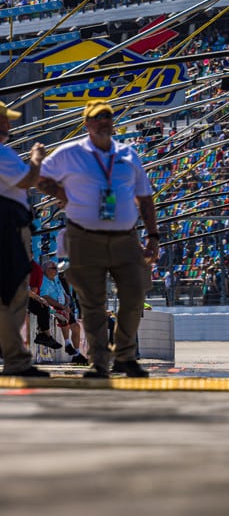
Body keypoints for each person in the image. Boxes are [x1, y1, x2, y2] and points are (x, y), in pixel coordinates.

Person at [38, 100, 160, 379]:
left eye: (108, 116)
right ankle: (101, 362)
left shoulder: (128, 155)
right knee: (93, 302)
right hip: (85, 236)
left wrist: (153, 235)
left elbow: (145, 198)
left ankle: (125, 355)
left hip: (125, 236)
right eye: (97, 117)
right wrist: (62, 194)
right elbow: (40, 176)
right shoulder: (70, 152)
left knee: (135, 292)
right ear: (87, 124)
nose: (104, 121)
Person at [0, 102, 48, 378]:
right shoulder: (3, 153)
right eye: (3, 120)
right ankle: (16, 361)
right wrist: (36, 157)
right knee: (14, 293)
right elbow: (26, 180)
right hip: (7, 227)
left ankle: (15, 358)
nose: (7, 125)